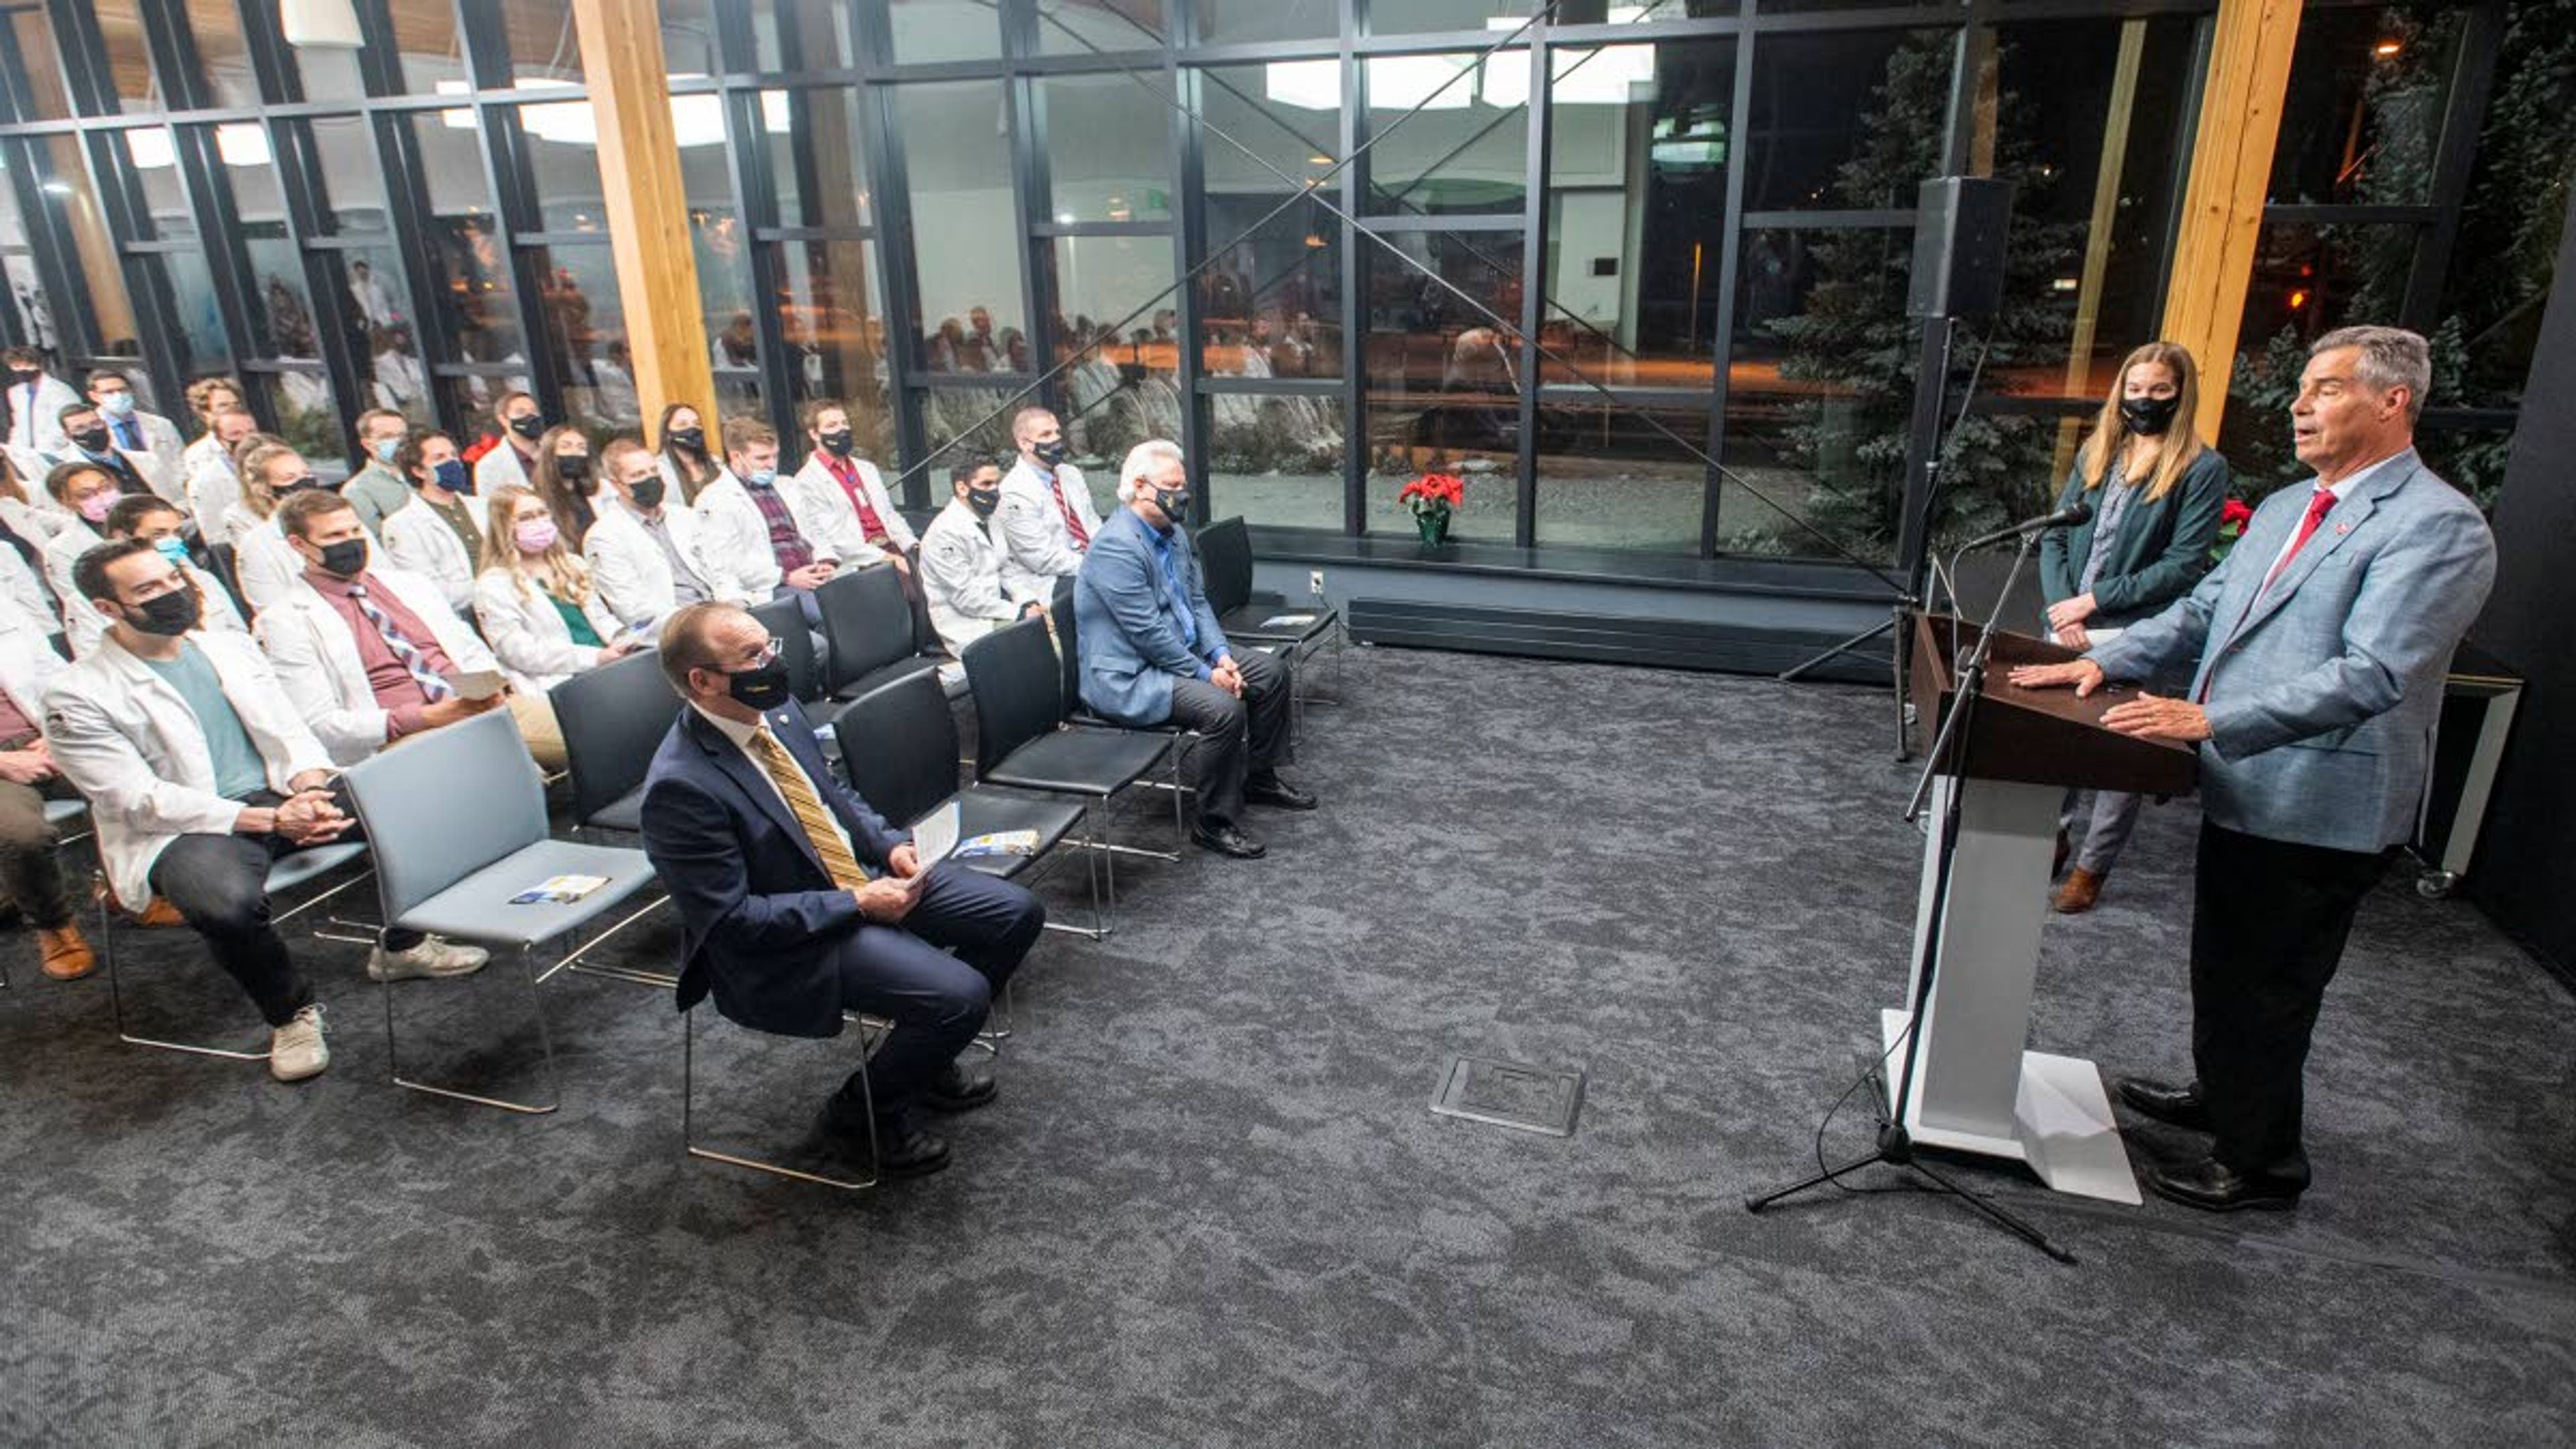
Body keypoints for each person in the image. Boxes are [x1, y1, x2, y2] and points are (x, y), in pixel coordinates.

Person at [2009, 326, 2496, 1213]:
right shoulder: (2285, 507)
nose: (2300, 406)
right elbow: (2202, 608)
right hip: (2247, 789)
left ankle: (2263, 1162)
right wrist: (2108, 662)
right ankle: (2223, 1098)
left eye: (2326, 389)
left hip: (2324, 802)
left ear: (2394, 402)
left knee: (2272, 986)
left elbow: (2373, 674)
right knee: (2224, 964)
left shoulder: (2439, 529)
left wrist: (2211, 717)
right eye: (2303, 388)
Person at [50, 540, 491, 1081]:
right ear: (106, 609)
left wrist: (309, 784)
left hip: (280, 791)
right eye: (148, 589)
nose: (171, 593)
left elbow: (289, 730)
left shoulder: (227, 648)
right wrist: (275, 820)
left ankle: (402, 946)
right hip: (185, 827)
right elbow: (134, 799)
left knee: (408, 802)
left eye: (171, 578)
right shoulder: (77, 694)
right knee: (224, 905)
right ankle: (290, 1014)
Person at [639, 601, 1046, 1179]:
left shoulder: (775, 713)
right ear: (702, 682)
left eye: (769, 647)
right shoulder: (681, 786)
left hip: (854, 877)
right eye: (752, 656)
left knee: (1016, 912)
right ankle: (859, 1116)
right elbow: (731, 921)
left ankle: (922, 1063)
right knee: (959, 996)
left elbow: (832, 795)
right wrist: (857, 902)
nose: (772, 664)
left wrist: (886, 847)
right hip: (788, 939)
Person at [2035, 341, 2232, 914]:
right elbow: (2055, 534)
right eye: (2136, 389)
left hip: (2137, 632)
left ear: (2181, 395)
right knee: (2061, 741)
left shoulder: (2202, 468)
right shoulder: (2098, 453)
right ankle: (2055, 834)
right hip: (2069, 626)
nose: (2145, 401)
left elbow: (2182, 565)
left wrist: (2093, 601)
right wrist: (2061, 606)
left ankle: (2094, 868)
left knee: (2121, 751)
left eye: (2160, 391)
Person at [1075, 440, 1311, 859]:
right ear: (1140, 486)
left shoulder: (1174, 533)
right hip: (1130, 675)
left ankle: (1258, 777)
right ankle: (1213, 822)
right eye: (1173, 485)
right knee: (1223, 709)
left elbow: (1197, 602)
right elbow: (1147, 632)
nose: (1182, 494)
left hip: (1180, 652)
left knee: (1271, 674)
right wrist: (1207, 675)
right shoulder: (1116, 546)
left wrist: (1220, 653)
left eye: (1183, 485)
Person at [256, 488, 528, 767]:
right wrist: (425, 716)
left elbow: (468, 648)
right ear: (299, 544)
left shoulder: (411, 584)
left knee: (570, 719)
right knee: (482, 764)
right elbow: (322, 722)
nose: (351, 542)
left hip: (480, 706)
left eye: (355, 531)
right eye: (335, 536)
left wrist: (491, 688)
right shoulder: (284, 622)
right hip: (407, 734)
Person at [472, 484, 639, 704]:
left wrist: (625, 639)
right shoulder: (493, 585)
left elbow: (600, 618)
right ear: (504, 527)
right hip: (561, 682)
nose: (538, 523)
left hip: (611, 665)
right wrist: (594, 658)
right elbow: (519, 652)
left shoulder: (573, 564)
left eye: (542, 514)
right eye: (526, 518)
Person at [0, 600, 91, 979]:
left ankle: (130, 887)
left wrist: (55, 731)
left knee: (127, 781)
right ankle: (52, 925)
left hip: (45, 737)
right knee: (23, 835)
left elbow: (57, 675)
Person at [584, 437, 751, 632]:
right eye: (638, 475)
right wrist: (700, 621)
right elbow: (632, 609)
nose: (651, 479)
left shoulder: (685, 516)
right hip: (676, 630)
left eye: (654, 471)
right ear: (616, 484)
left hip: (723, 613)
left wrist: (734, 601)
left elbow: (721, 568)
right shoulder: (604, 537)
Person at [68, 494, 248, 657]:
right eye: (159, 534)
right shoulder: (85, 602)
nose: (173, 540)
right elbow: (95, 657)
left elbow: (238, 634)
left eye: (176, 533)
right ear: (123, 538)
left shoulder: (202, 579)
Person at [692, 416, 844, 607]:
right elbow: (730, 562)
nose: (772, 464)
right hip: (772, 587)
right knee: (827, 615)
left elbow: (815, 530)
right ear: (736, 456)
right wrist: (786, 577)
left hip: (814, 575)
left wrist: (825, 560)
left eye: (775, 456)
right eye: (762, 458)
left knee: (864, 601)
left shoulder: (788, 485)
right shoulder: (715, 499)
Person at [917, 458, 1042, 665]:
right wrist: (1020, 613)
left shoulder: (990, 518)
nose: (994, 491)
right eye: (986, 484)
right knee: (1044, 643)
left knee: (1056, 625)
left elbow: (1005, 568)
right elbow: (966, 599)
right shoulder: (944, 533)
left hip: (997, 608)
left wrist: (1028, 600)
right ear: (962, 488)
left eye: (997, 483)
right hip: (969, 623)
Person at [996, 407, 1104, 602]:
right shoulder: (1013, 492)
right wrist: (1097, 565)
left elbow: (1092, 524)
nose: (1056, 440)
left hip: (1085, 563)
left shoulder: (1070, 473)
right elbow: (1041, 558)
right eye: (1046, 435)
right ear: (1024, 443)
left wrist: (1107, 555)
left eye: (1057, 433)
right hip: (1049, 578)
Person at [379, 429, 491, 614]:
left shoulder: (484, 506)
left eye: (454, 455)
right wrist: (493, 589)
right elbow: (428, 590)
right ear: (418, 471)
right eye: (439, 458)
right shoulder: (402, 525)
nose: (452, 462)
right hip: (464, 616)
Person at [792, 399, 912, 571]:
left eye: (844, 423)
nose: (842, 430)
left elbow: (889, 514)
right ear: (815, 434)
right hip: (860, 561)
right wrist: (889, 559)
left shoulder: (866, 468)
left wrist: (912, 547)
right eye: (832, 426)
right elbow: (834, 538)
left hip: (892, 547)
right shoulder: (806, 481)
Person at [225, 443, 334, 616]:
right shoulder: (256, 546)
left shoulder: (342, 520)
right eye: (289, 478)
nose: (304, 482)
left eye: (306, 474)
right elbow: (273, 614)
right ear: (265, 489)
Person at [85, 368, 186, 504]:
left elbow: (181, 462)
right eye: (109, 392)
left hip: (174, 499)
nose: (119, 396)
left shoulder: (161, 425)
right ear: (94, 396)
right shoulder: (94, 432)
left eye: (123, 390)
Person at [38, 460, 127, 609]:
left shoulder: (149, 513)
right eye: (86, 495)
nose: (102, 497)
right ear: (65, 502)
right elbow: (79, 603)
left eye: (105, 487)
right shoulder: (61, 549)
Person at [48, 401, 154, 500]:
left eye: (96, 424)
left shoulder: (145, 459)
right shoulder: (70, 477)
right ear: (68, 435)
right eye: (80, 428)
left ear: (105, 424)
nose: (92, 431)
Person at [339, 408, 417, 541]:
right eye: (387, 436)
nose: (398, 441)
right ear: (367, 444)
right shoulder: (357, 490)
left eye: (402, 436)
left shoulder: (422, 473)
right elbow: (376, 542)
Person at [186, 405, 260, 544]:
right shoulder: (203, 483)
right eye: (236, 434)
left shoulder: (275, 464)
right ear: (219, 440)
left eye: (251, 432)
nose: (247, 439)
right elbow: (215, 537)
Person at [4, 347, 80, 455]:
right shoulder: (16, 392)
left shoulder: (60, 390)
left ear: (40, 366)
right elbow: (18, 426)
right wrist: (14, 450)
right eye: (16, 366)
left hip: (57, 454)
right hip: (27, 457)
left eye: (27, 366)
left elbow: (62, 429)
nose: (22, 370)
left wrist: (39, 454)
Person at [473, 392, 546, 495]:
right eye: (521, 412)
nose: (531, 417)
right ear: (503, 420)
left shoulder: (553, 452)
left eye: (534, 411)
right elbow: (489, 506)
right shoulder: (489, 465)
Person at [656, 402, 726, 504]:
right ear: (668, 434)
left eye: (697, 424)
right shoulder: (660, 470)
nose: (692, 429)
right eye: (682, 424)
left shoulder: (716, 462)